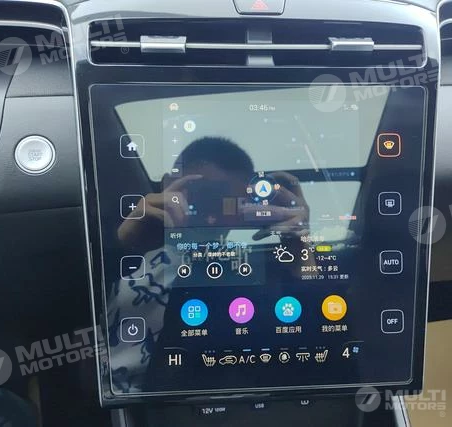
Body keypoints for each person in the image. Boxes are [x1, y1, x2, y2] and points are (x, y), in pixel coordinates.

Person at [106, 136, 313, 393]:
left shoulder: (251, 267)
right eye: (204, 195)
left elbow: (305, 354)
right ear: (169, 185)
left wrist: (301, 251)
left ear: (247, 204)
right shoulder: (120, 247)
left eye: (229, 203)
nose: (213, 218)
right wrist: (117, 246)